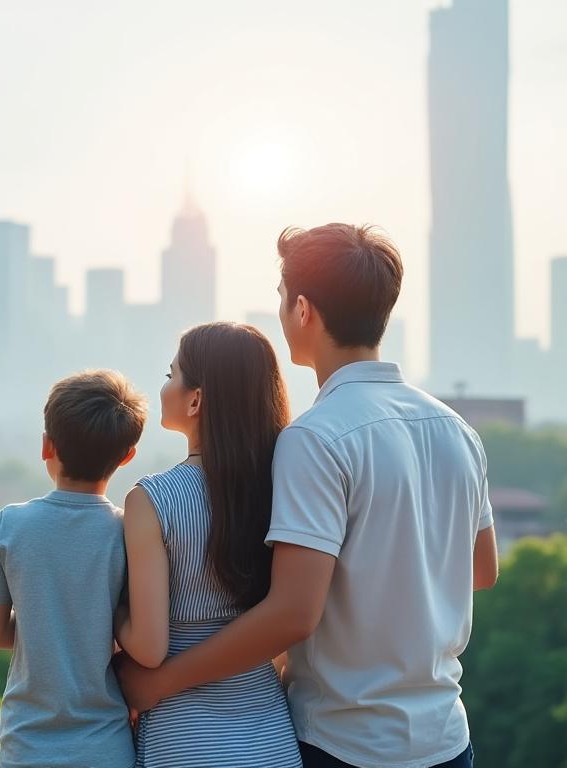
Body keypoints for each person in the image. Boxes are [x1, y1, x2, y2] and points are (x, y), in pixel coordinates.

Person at [119, 224, 499, 768]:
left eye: (280, 298)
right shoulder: (456, 430)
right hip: (446, 740)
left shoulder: (314, 439)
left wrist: (159, 685)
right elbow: (480, 570)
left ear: (303, 310)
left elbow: (293, 614)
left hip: (344, 743)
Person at [117, 322, 301, 767]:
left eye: (170, 375)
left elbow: (150, 645)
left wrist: (111, 611)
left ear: (196, 399)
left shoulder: (153, 500)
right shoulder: (283, 491)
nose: (164, 387)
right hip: (271, 740)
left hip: (184, 742)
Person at [0, 369, 147, 768]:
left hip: (26, 747)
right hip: (107, 747)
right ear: (126, 455)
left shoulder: (11, 524)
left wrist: (43, 626)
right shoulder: (129, 533)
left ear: (47, 445)